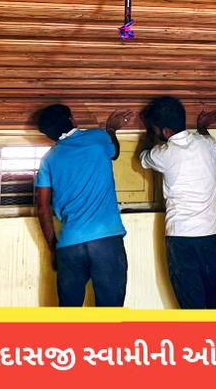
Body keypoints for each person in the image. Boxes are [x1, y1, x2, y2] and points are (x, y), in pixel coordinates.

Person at [34, 103, 134, 307]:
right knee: (110, 312)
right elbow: (114, 152)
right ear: (72, 120)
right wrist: (111, 129)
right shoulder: (98, 138)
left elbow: (42, 208)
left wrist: (53, 248)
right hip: (105, 241)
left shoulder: (48, 160)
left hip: (69, 245)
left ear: (49, 136)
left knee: (69, 314)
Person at [138, 96, 216, 309]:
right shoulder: (206, 144)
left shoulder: (164, 153)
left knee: (192, 307)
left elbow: (143, 158)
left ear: (165, 131)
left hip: (182, 239)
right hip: (212, 237)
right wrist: (202, 127)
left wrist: (148, 132)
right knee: (214, 300)